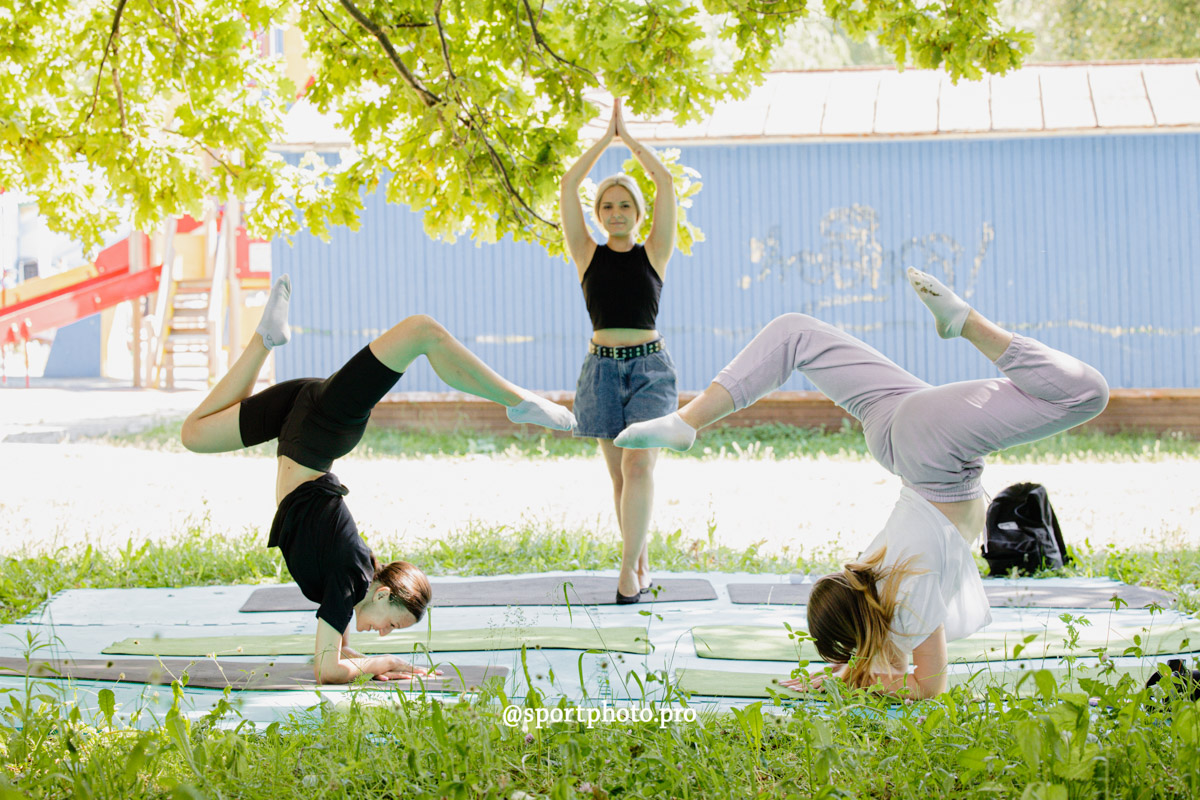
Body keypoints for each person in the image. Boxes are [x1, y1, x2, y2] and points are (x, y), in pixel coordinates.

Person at [616, 267, 1109, 698]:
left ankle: (966, 323)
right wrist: (841, 672)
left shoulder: (905, 605)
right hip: (900, 433)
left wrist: (842, 680)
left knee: (1085, 394)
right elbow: (899, 664)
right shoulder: (880, 582)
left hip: (930, 453)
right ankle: (689, 420)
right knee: (796, 333)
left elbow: (925, 687)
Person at [181, 276, 575, 684]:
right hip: (321, 424)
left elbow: (336, 654)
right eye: (393, 626)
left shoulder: (354, 579)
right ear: (383, 594)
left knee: (194, 434)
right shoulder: (354, 578)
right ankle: (519, 400)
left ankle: (266, 338)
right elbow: (326, 670)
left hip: (297, 425)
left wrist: (383, 666)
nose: (384, 636)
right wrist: (381, 665)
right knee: (421, 331)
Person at [559, 97, 680, 603]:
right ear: (597, 213)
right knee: (619, 478)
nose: (615, 213)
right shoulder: (586, 253)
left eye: (624, 205)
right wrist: (600, 142)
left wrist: (627, 139)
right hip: (602, 372)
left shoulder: (655, 251)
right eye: (607, 206)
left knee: (638, 468)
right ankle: (640, 560)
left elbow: (666, 184)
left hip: (650, 370)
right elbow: (568, 185)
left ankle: (629, 573)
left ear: (638, 212)